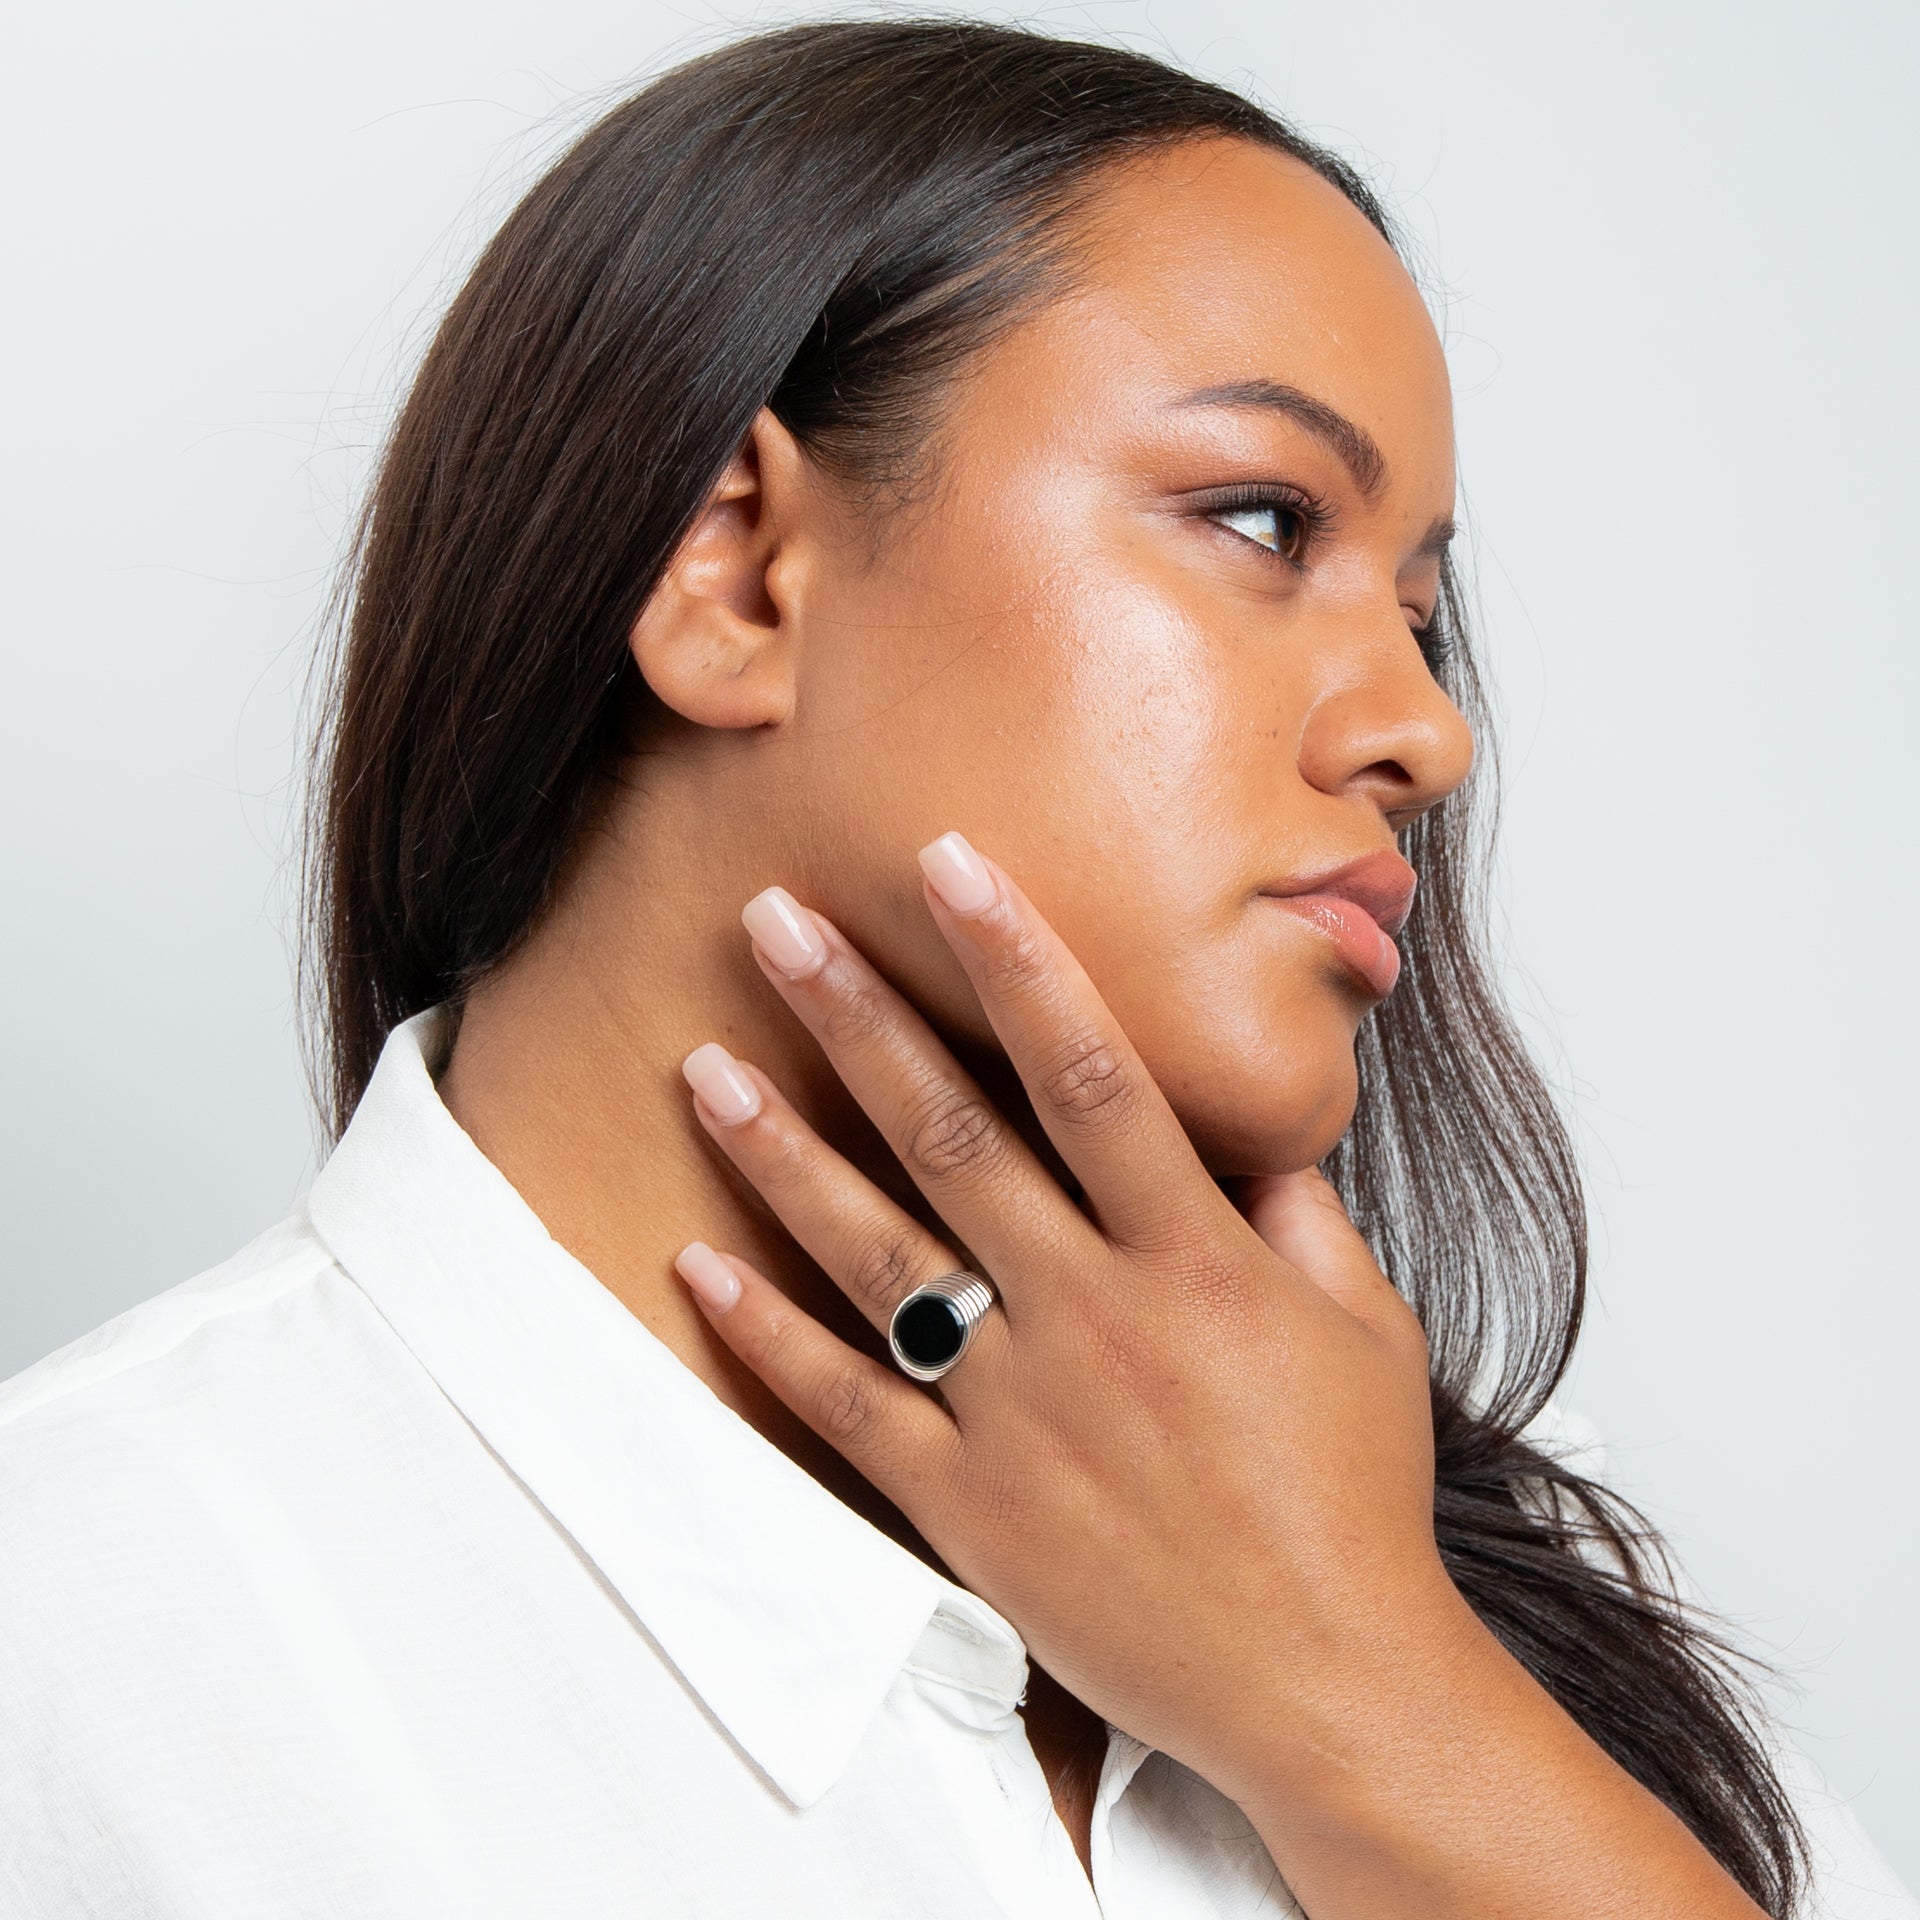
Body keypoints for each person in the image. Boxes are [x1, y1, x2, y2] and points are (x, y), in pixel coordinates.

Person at [0, 19, 1910, 1918]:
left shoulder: (1491, 1582)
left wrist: (1369, 1697)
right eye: (1262, 520)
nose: (1429, 732)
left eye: (1420, 614)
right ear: (735, 570)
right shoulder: (85, 1646)